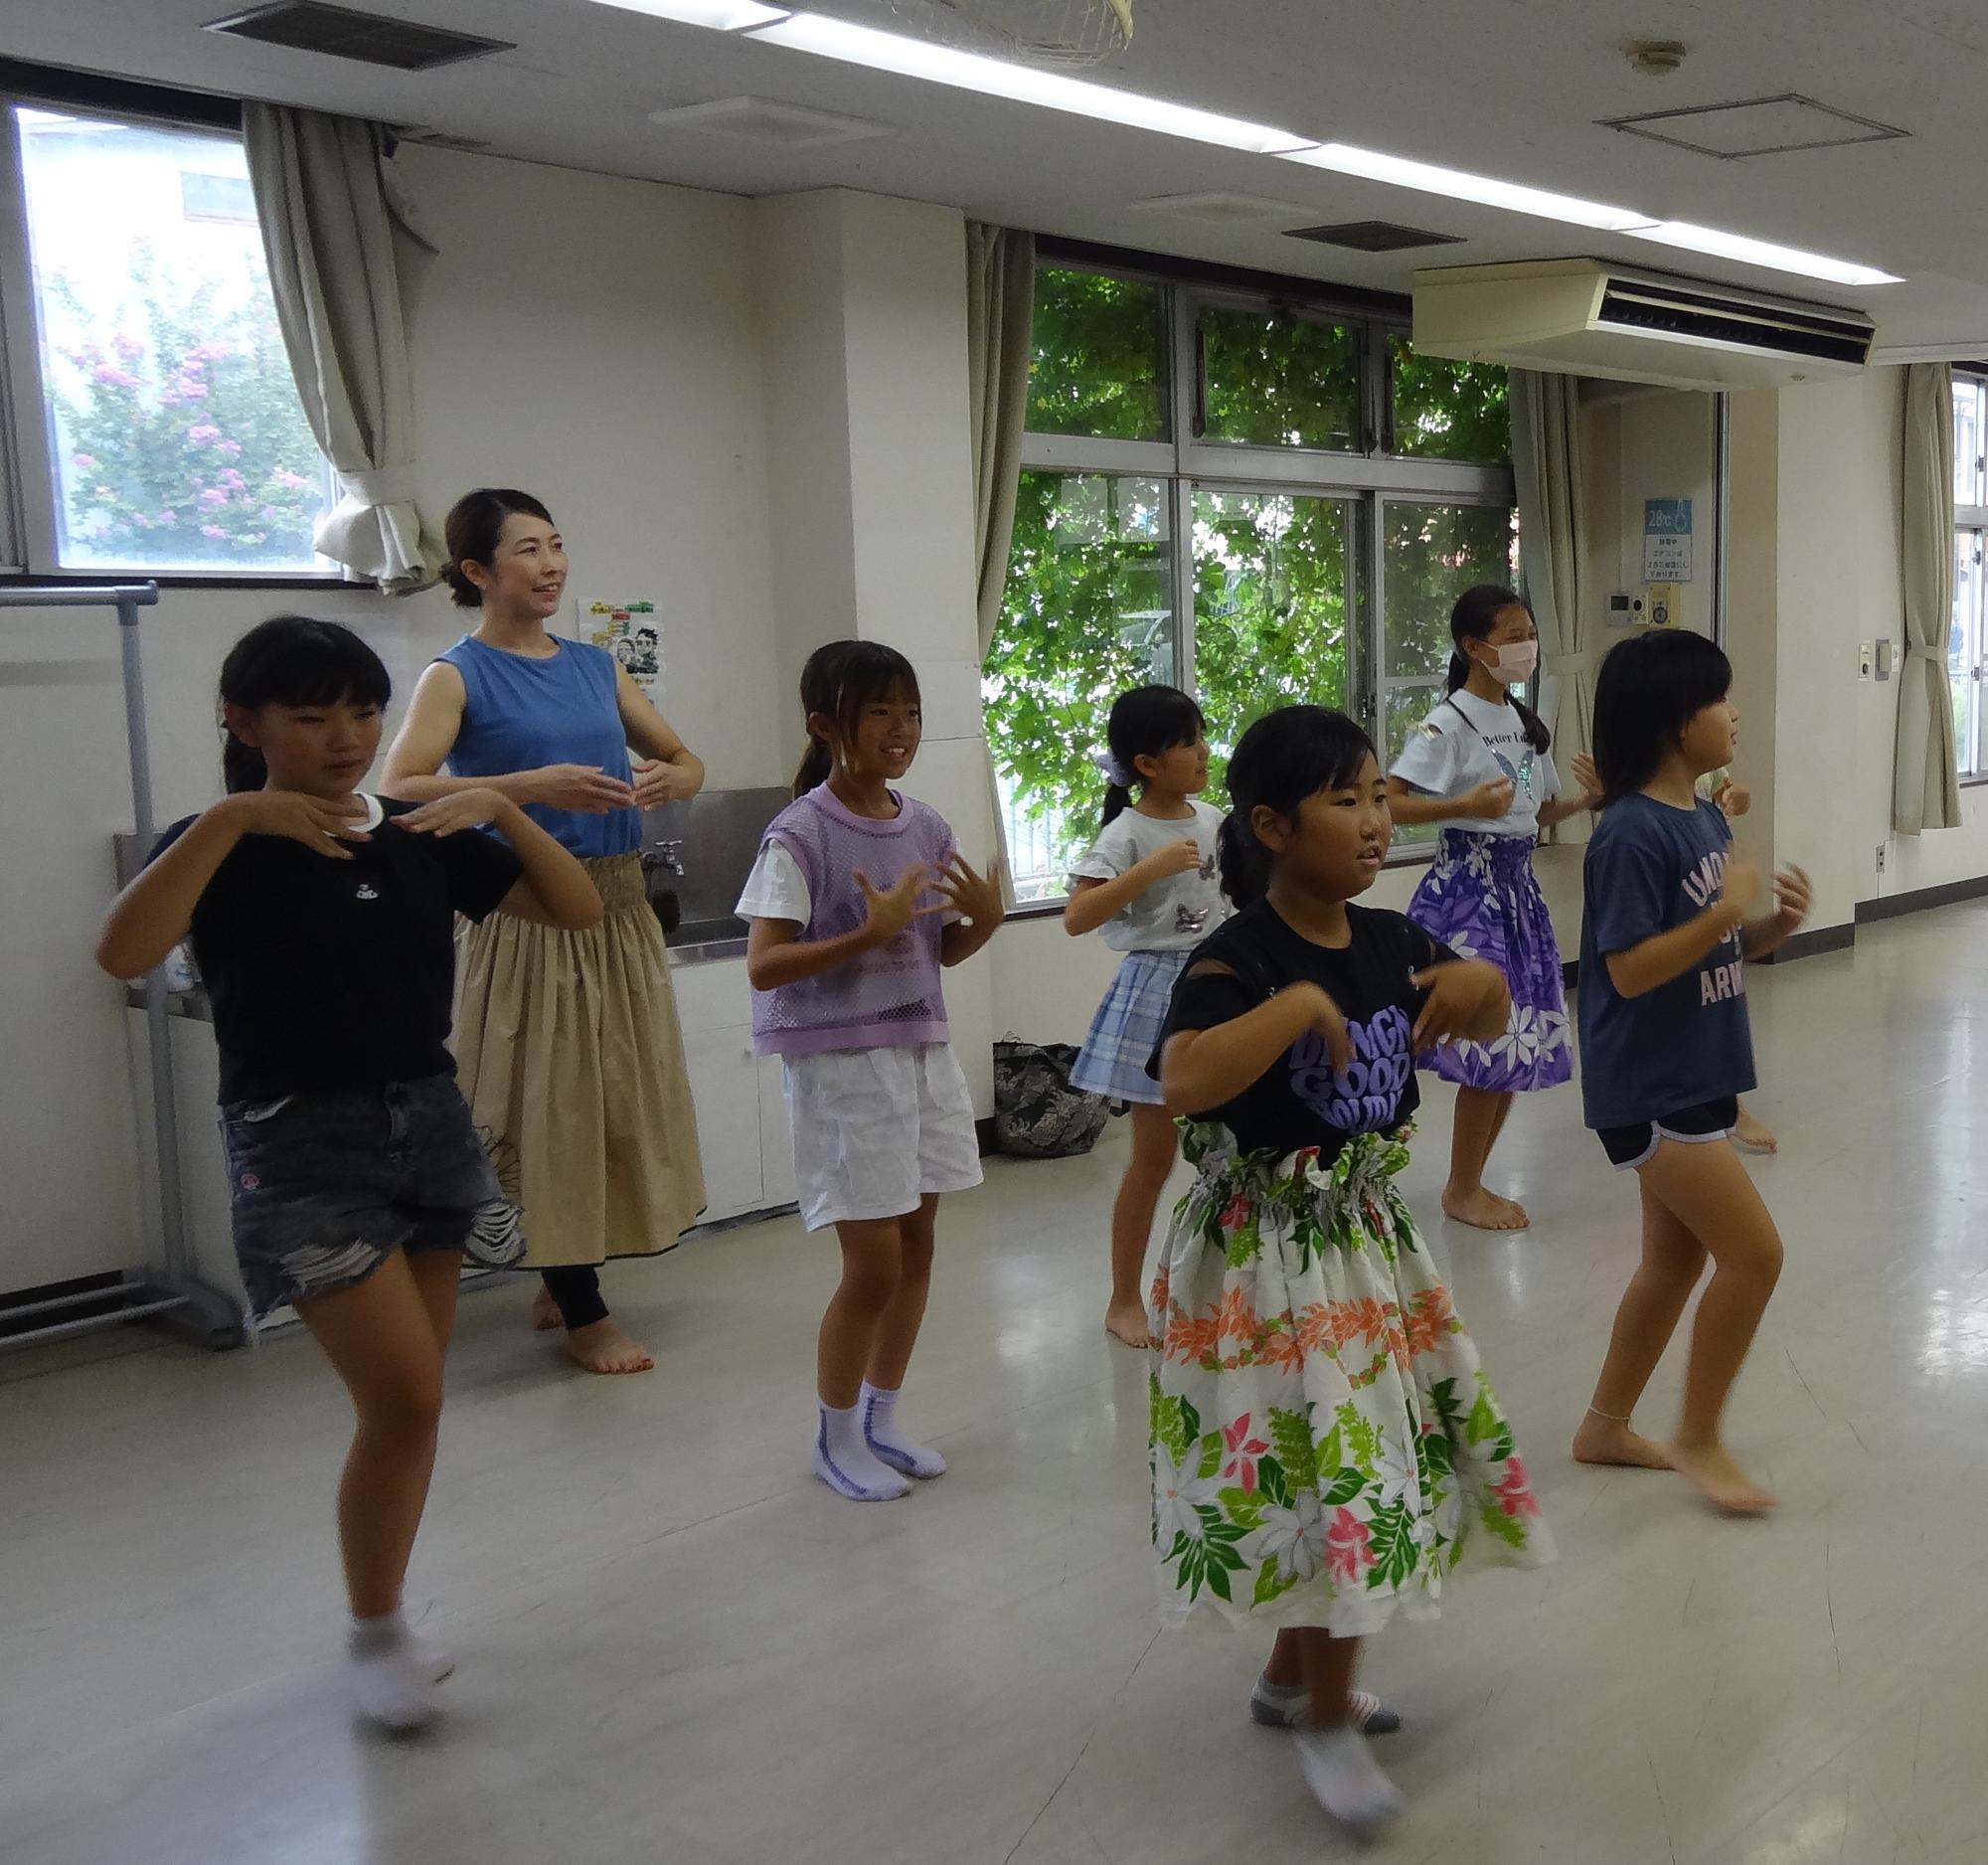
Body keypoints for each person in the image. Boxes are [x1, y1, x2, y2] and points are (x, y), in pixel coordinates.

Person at [94, 616, 601, 1731]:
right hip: (297, 1146)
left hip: (426, 1127)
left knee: (408, 1409)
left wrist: (503, 804)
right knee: (407, 1391)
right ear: (244, 721)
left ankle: (383, 1620)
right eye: (311, 715)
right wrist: (230, 818)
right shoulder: (216, 839)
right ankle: (372, 1632)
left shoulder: (416, 831)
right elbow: (123, 953)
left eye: (361, 712)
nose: (344, 737)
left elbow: (574, 906)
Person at [1149, 704, 1553, 1832]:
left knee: (1350, 1464)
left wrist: (1476, 986)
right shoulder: (1238, 955)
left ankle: (1293, 1682)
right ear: (1271, 826)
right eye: (1347, 799)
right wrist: (1290, 1009)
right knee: (1343, 1477)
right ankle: (1325, 1717)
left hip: (1363, 1251)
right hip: (1265, 1261)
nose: (1376, 820)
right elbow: (1181, 1078)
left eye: (1379, 796)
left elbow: (1479, 999)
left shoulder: (1385, 940)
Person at [384, 488, 706, 1375]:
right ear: (478, 572)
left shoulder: (596, 665)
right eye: (527, 550)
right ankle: (584, 1311)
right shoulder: (455, 673)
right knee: (551, 1104)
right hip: (525, 909)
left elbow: (686, 758)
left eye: (556, 544)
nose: (551, 563)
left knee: (609, 1100)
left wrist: (672, 781)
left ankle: (562, 1273)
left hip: (619, 905)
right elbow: (400, 785)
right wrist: (526, 789)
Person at [739, 641, 1004, 1502]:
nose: (901, 730)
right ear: (825, 724)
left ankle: (882, 1419)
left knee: (919, 1245)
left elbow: (938, 953)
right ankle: (835, 1436)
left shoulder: (925, 826)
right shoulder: (801, 833)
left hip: (920, 1051)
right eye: (880, 711)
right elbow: (765, 966)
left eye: (912, 712)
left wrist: (987, 921)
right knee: (874, 1266)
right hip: (842, 1064)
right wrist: (865, 931)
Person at [1571, 629, 1810, 1514]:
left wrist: (1766, 932)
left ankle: (1604, 1426)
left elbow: (1711, 947)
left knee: (1672, 1266)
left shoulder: (1704, 815)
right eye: (1721, 699)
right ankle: (1699, 1436)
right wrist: (1718, 916)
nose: (1734, 713)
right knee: (1755, 1256)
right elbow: (1630, 968)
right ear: (1680, 721)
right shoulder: (1629, 834)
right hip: (1650, 1088)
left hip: (1697, 1074)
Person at [1388, 585, 1600, 1232]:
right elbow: (1390, 802)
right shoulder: (1442, 723)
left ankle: (1466, 1184)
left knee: (1510, 1042)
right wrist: (1460, 807)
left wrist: (1589, 801)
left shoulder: (1523, 720)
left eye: (1529, 632)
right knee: (1456, 1034)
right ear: (1473, 648)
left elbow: (1531, 814)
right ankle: (1446, 1178)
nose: (1526, 646)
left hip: (1518, 895)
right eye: (1512, 635)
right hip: (1465, 894)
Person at [1064, 685, 1228, 1349]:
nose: (1201, 751)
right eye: (1187, 741)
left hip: (1221, 988)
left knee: (1231, 1153)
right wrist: (1150, 868)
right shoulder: (1126, 831)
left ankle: (1225, 1288)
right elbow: (1078, 917)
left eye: (1201, 736)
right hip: (1157, 993)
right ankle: (1123, 1298)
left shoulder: (1216, 817)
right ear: (1147, 763)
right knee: (1153, 1160)